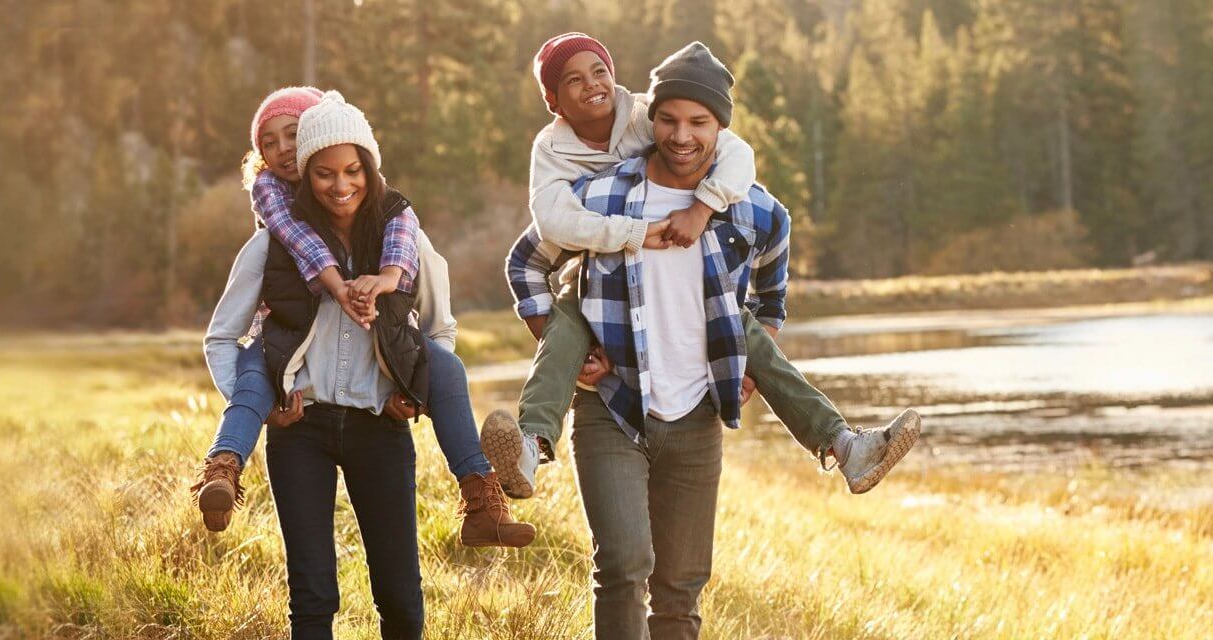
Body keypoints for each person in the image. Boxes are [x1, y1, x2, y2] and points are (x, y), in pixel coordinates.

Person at [486, 34, 922, 509]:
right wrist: (561, 340)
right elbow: (545, 229)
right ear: (553, 101)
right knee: (567, 325)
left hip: (688, 288)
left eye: (599, 71)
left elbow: (736, 153)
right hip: (594, 279)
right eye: (573, 79)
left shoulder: (646, 116)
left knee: (745, 332)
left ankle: (845, 446)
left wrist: (703, 207)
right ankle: (531, 447)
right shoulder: (554, 154)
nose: (681, 134)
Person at [196, 88, 533, 549]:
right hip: (287, 359)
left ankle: (480, 496)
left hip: (379, 398)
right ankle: (223, 466)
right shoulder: (275, 220)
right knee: (255, 373)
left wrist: (411, 385)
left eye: (292, 136)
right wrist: (338, 287)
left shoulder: (393, 216)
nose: (282, 151)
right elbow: (294, 248)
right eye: (268, 143)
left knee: (448, 368)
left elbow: (435, 315)